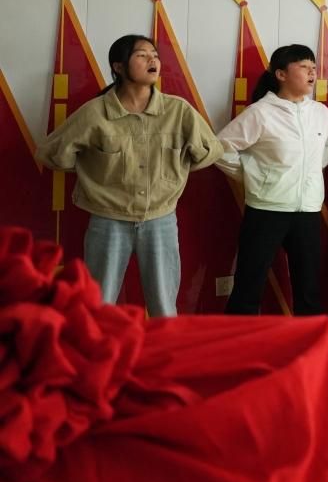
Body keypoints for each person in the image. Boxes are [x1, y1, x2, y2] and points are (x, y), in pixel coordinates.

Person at [36, 34, 222, 317]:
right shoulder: (96, 113)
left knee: (164, 307)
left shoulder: (178, 110)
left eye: (155, 55)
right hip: (107, 221)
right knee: (99, 304)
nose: (152, 60)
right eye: (142, 55)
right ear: (119, 67)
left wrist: (175, 171)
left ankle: (164, 347)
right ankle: (98, 346)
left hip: (160, 219)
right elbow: (51, 153)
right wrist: (91, 171)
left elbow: (211, 150)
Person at [216, 43, 328, 316]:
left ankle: (307, 342)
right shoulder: (260, 112)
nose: (312, 73)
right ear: (281, 74)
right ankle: (239, 340)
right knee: (249, 285)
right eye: (304, 67)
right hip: (266, 208)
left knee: (308, 289)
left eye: (313, 67)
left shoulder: (320, 113)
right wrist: (254, 176)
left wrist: (310, 167)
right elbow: (221, 149)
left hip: (308, 210)